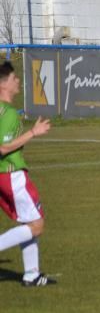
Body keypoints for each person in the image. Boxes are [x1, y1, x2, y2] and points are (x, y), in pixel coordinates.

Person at [0, 61, 55, 286]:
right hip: (12, 174)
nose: (18, 81)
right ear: (4, 85)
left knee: (29, 221)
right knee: (37, 225)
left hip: (4, 176)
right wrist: (33, 132)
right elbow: (3, 148)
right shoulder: (10, 113)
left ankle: (32, 274)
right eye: (15, 78)